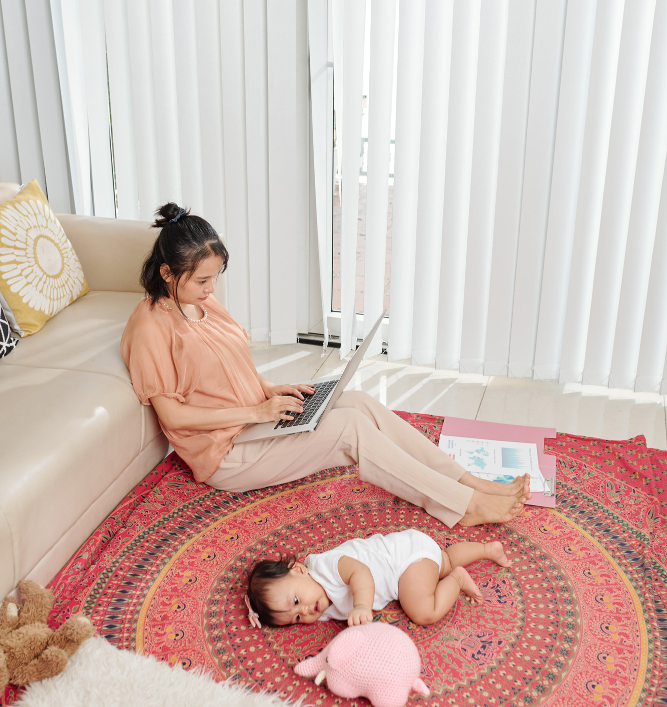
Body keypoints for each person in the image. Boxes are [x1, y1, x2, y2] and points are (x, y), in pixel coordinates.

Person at [121, 203, 529, 529]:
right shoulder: (151, 326)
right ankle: (464, 505)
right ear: (167, 272)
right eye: (202, 281)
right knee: (348, 429)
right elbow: (173, 415)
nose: (211, 291)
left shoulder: (200, 303)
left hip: (254, 424)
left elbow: (227, 368)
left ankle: (466, 480)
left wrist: (269, 389)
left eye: (215, 279)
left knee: (357, 402)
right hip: (227, 454)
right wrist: (256, 412)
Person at [244, 529, 510, 628]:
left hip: (402, 563)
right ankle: (488, 550)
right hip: (415, 548)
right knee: (445, 560)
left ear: (299, 569)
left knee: (423, 612)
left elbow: (362, 574)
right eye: (297, 618)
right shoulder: (316, 601)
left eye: (296, 600)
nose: (304, 611)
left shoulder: (326, 567)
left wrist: (361, 605)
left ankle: (458, 580)